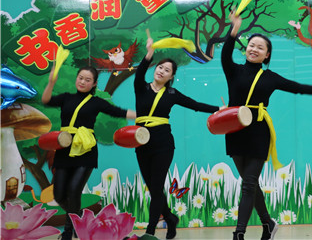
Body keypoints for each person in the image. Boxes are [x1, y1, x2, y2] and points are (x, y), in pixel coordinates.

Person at [224, 11, 312, 240]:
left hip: (258, 132)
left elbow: (298, 87)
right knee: (250, 184)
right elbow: (225, 54)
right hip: (235, 131)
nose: (254, 49)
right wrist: (234, 29)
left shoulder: (270, 77)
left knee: (248, 184)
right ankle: (268, 223)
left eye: (260, 47)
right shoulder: (233, 70)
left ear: (267, 54)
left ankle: (239, 233)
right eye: (251, 45)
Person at [134, 35, 220, 239]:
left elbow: (195, 105)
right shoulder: (141, 87)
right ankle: (170, 218)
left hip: (163, 144)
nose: (161, 71)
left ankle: (150, 232)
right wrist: (149, 54)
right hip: (141, 142)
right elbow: (139, 71)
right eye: (160, 67)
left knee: (156, 187)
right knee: (153, 188)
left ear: (171, 76)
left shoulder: (172, 93)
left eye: (167, 70)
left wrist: (219, 109)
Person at [42, 64, 136, 240]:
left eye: (87, 80)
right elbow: (46, 100)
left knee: (73, 190)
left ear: (94, 84)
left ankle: (68, 232)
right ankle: (79, 219)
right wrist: (51, 82)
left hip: (86, 150)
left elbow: (117, 112)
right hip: (64, 148)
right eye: (80, 78)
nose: (83, 82)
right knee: (59, 194)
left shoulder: (97, 102)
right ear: (76, 78)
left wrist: (141, 116)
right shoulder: (66, 98)